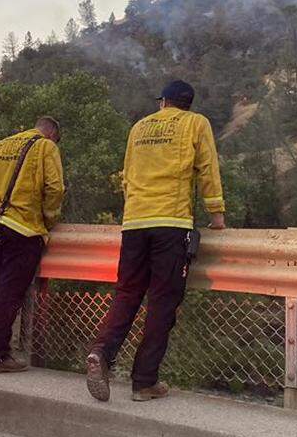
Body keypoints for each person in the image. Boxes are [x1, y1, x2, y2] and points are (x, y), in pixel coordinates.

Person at [86, 80, 225, 402]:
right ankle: (144, 382)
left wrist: (132, 211)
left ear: (163, 102)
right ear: (187, 103)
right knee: (162, 302)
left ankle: (101, 353)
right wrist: (216, 214)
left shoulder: (139, 127)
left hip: (134, 222)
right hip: (171, 223)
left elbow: (127, 174)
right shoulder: (196, 123)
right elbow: (207, 169)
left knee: (126, 294)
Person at [0, 116, 65, 374]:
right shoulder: (46, 147)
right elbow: (54, 188)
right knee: (8, 294)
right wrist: (48, 219)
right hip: (24, 230)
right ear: (53, 134)